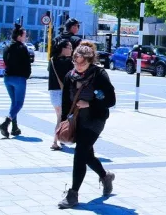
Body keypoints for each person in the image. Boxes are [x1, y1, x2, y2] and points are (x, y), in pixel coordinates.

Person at [58, 42, 117, 209]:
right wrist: (63, 123)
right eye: (75, 62)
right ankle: (106, 176)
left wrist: (90, 104)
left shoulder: (99, 75)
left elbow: (111, 101)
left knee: (80, 153)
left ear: (90, 61)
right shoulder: (70, 76)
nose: (78, 66)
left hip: (95, 120)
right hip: (77, 121)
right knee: (87, 156)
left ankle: (73, 194)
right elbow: (65, 101)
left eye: (82, 63)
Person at [0, 24, 32, 138]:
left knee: (14, 103)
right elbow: (27, 64)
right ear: (19, 36)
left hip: (8, 77)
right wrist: (26, 75)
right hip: (19, 78)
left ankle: (14, 127)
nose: (25, 38)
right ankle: (6, 123)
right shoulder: (22, 48)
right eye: (24, 35)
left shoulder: (7, 47)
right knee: (19, 104)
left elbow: (5, 61)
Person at [48, 38, 74, 151]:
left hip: (53, 92)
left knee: (59, 117)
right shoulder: (68, 62)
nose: (71, 50)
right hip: (63, 93)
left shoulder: (52, 60)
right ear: (63, 48)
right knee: (61, 118)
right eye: (69, 47)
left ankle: (61, 139)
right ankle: (55, 141)